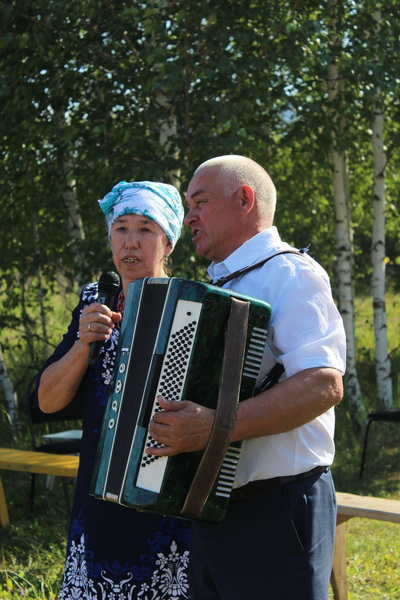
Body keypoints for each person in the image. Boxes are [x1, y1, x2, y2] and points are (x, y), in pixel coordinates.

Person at [147, 156, 347, 600]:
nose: (189, 217)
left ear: (244, 200)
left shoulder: (291, 274)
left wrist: (214, 426)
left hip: (279, 510)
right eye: (188, 206)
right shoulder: (223, 283)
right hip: (215, 510)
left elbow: (323, 384)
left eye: (200, 202)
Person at [37, 181, 191, 600]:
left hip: (163, 493)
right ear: (109, 240)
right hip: (98, 493)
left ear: (168, 243)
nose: (131, 242)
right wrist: (83, 344)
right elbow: (47, 400)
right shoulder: (93, 302)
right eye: (121, 229)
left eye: (146, 229)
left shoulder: (191, 307)